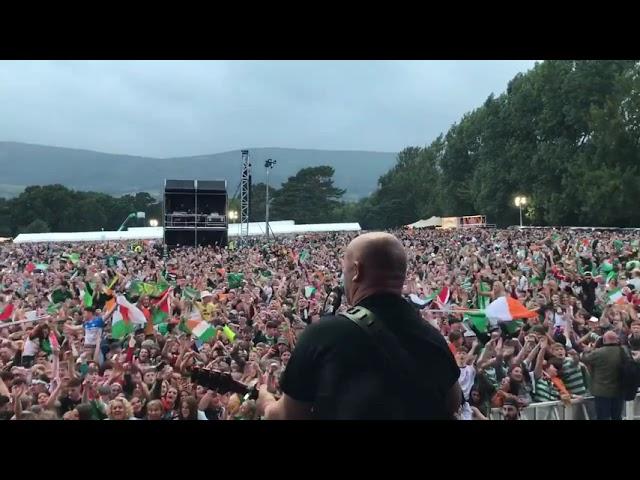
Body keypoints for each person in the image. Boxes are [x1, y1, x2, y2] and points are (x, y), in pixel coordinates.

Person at [258, 232, 461, 420]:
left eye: (344, 269)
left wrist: (265, 401)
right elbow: (453, 402)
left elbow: (286, 415)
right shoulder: (432, 337)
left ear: (356, 271)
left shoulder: (324, 335)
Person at [582, 330, 625, 420]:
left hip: (602, 391)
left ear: (604, 340)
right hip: (619, 389)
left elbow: (584, 358)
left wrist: (589, 350)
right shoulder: (623, 351)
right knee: (617, 416)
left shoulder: (599, 353)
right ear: (617, 340)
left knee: (603, 417)